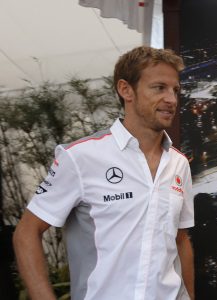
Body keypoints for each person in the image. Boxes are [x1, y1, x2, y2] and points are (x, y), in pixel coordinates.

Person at [12, 46, 195, 300]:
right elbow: (26, 232)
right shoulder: (80, 157)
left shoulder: (179, 164)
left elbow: (180, 240)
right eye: (159, 88)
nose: (172, 99)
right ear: (125, 90)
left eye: (175, 90)